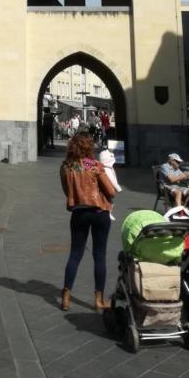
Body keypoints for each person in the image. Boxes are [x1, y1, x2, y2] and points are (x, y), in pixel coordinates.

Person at [59, 134, 116, 313]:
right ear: (89, 147)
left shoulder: (66, 166)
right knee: (99, 256)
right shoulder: (95, 166)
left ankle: (66, 297)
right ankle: (98, 300)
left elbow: (66, 190)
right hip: (99, 213)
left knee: (75, 254)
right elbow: (111, 191)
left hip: (79, 213)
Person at [98, 148, 122, 220]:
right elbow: (112, 180)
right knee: (108, 201)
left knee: (107, 201)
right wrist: (118, 188)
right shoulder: (106, 169)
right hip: (108, 187)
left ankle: (107, 212)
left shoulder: (106, 168)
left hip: (106, 187)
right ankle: (108, 213)